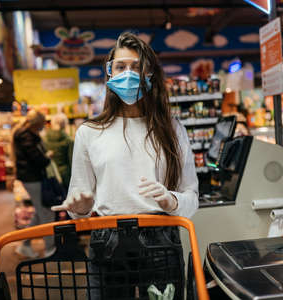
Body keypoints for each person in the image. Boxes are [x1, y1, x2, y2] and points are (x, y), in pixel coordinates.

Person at [51, 32, 199, 299]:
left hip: (161, 240)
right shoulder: (89, 132)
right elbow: (78, 204)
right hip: (106, 242)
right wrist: (82, 209)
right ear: (109, 74)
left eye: (137, 66)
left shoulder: (173, 130)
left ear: (151, 74)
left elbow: (192, 199)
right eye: (120, 67)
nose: (128, 73)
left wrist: (171, 201)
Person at [12, 110, 56, 258]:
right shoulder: (26, 136)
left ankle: (24, 245)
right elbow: (37, 159)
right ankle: (50, 249)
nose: (43, 127)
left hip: (31, 177)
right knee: (46, 213)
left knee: (40, 212)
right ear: (37, 124)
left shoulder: (24, 134)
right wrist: (47, 157)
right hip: (32, 178)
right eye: (42, 124)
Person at [43, 113, 73, 191]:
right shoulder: (69, 140)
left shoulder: (44, 139)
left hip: (50, 174)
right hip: (65, 175)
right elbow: (72, 161)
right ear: (65, 125)